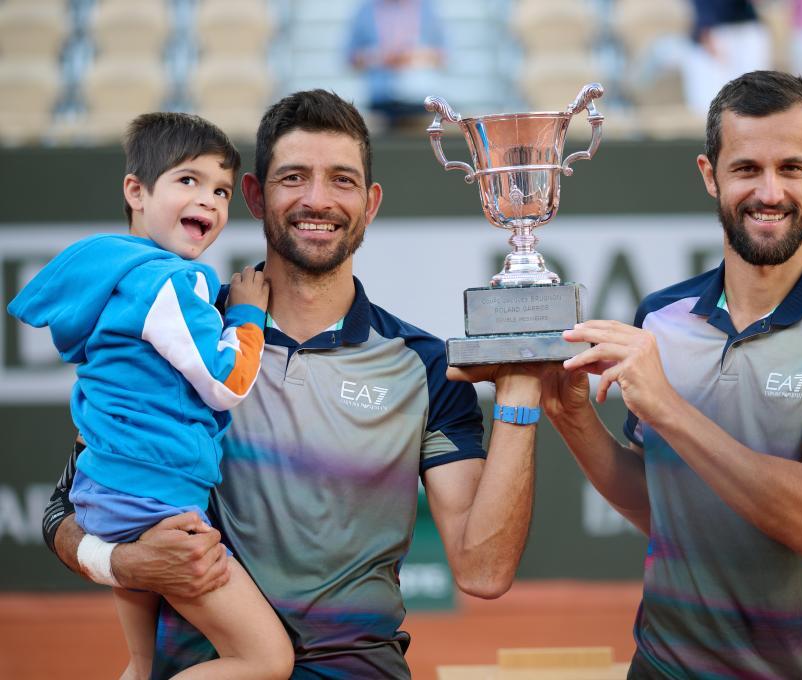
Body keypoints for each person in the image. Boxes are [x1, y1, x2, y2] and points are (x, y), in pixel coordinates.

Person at [42, 89, 544, 678]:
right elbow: (63, 509)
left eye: (342, 180)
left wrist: (522, 391)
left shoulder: (425, 365)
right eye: (294, 177)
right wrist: (123, 564)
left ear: (370, 203)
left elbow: (483, 571)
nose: (317, 200)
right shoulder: (177, 334)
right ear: (255, 195)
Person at [542, 71, 802, 678]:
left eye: (791, 168)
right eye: (746, 168)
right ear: (709, 174)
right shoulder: (660, 316)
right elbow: (661, 506)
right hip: (663, 664)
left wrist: (667, 406)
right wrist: (573, 417)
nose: (769, 192)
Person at [10, 113, 293, 679]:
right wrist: (245, 316)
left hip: (105, 496)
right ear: (136, 192)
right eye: (188, 180)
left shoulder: (113, 274)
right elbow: (225, 383)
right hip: (155, 502)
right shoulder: (170, 281)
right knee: (267, 660)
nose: (208, 199)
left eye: (220, 190)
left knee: (143, 666)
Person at [346, 0, 446, 130]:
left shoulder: (427, 8)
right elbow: (349, 57)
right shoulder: (366, 10)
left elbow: (444, 55)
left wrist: (414, 56)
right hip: (381, 103)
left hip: (420, 102)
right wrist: (378, 57)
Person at [683, 0, 771, 113]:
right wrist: (705, 29)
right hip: (717, 30)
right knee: (715, 94)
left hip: (744, 26)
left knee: (752, 89)